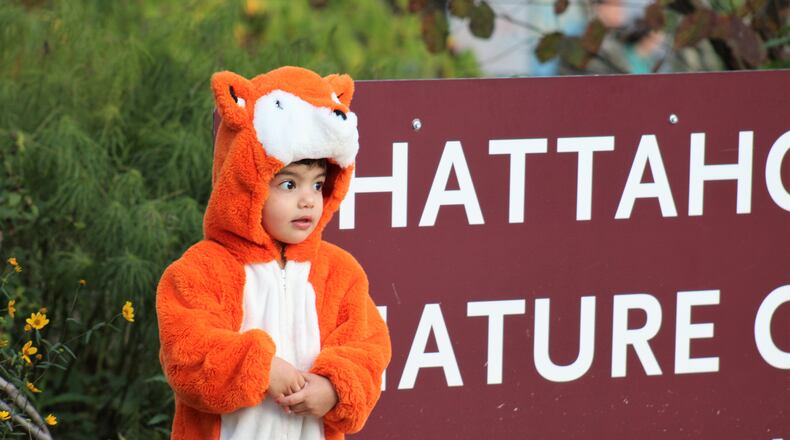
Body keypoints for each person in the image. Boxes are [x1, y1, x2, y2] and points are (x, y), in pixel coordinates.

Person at [156, 66, 391, 440]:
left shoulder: (340, 274)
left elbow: (369, 351)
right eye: (287, 183)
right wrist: (259, 368)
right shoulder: (201, 270)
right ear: (245, 183)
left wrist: (335, 389)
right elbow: (187, 355)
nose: (307, 200)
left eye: (317, 185)